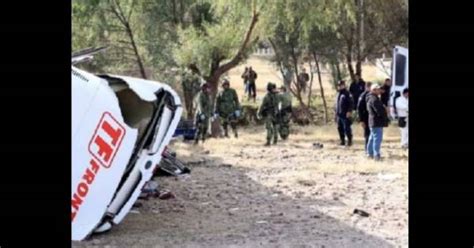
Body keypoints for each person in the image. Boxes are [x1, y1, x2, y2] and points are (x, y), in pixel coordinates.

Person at [366, 84, 389, 160]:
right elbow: (379, 111)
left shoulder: (371, 98)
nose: (379, 90)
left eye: (379, 89)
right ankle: (376, 155)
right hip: (377, 122)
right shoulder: (374, 99)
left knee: (372, 138)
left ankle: (369, 153)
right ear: (373, 90)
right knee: (377, 139)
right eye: (377, 89)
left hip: (373, 121)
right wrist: (385, 110)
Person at [335, 80, 354, 146]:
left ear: (344, 85)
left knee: (347, 128)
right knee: (339, 128)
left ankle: (349, 141)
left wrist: (349, 111)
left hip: (345, 114)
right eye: (339, 85)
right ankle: (342, 141)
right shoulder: (338, 94)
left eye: (341, 85)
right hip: (339, 114)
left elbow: (351, 103)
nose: (340, 86)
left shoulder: (347, 93)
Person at [357, 81, 372, 149]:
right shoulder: (363, 96)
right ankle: (367, 149)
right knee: (367, 134)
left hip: (371, 117)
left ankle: (370, 149)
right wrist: (361, 120)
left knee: (372, 134)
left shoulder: (372, 95)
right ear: (366, 87)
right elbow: (359, 108)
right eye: (369, 87)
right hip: (365, 117)